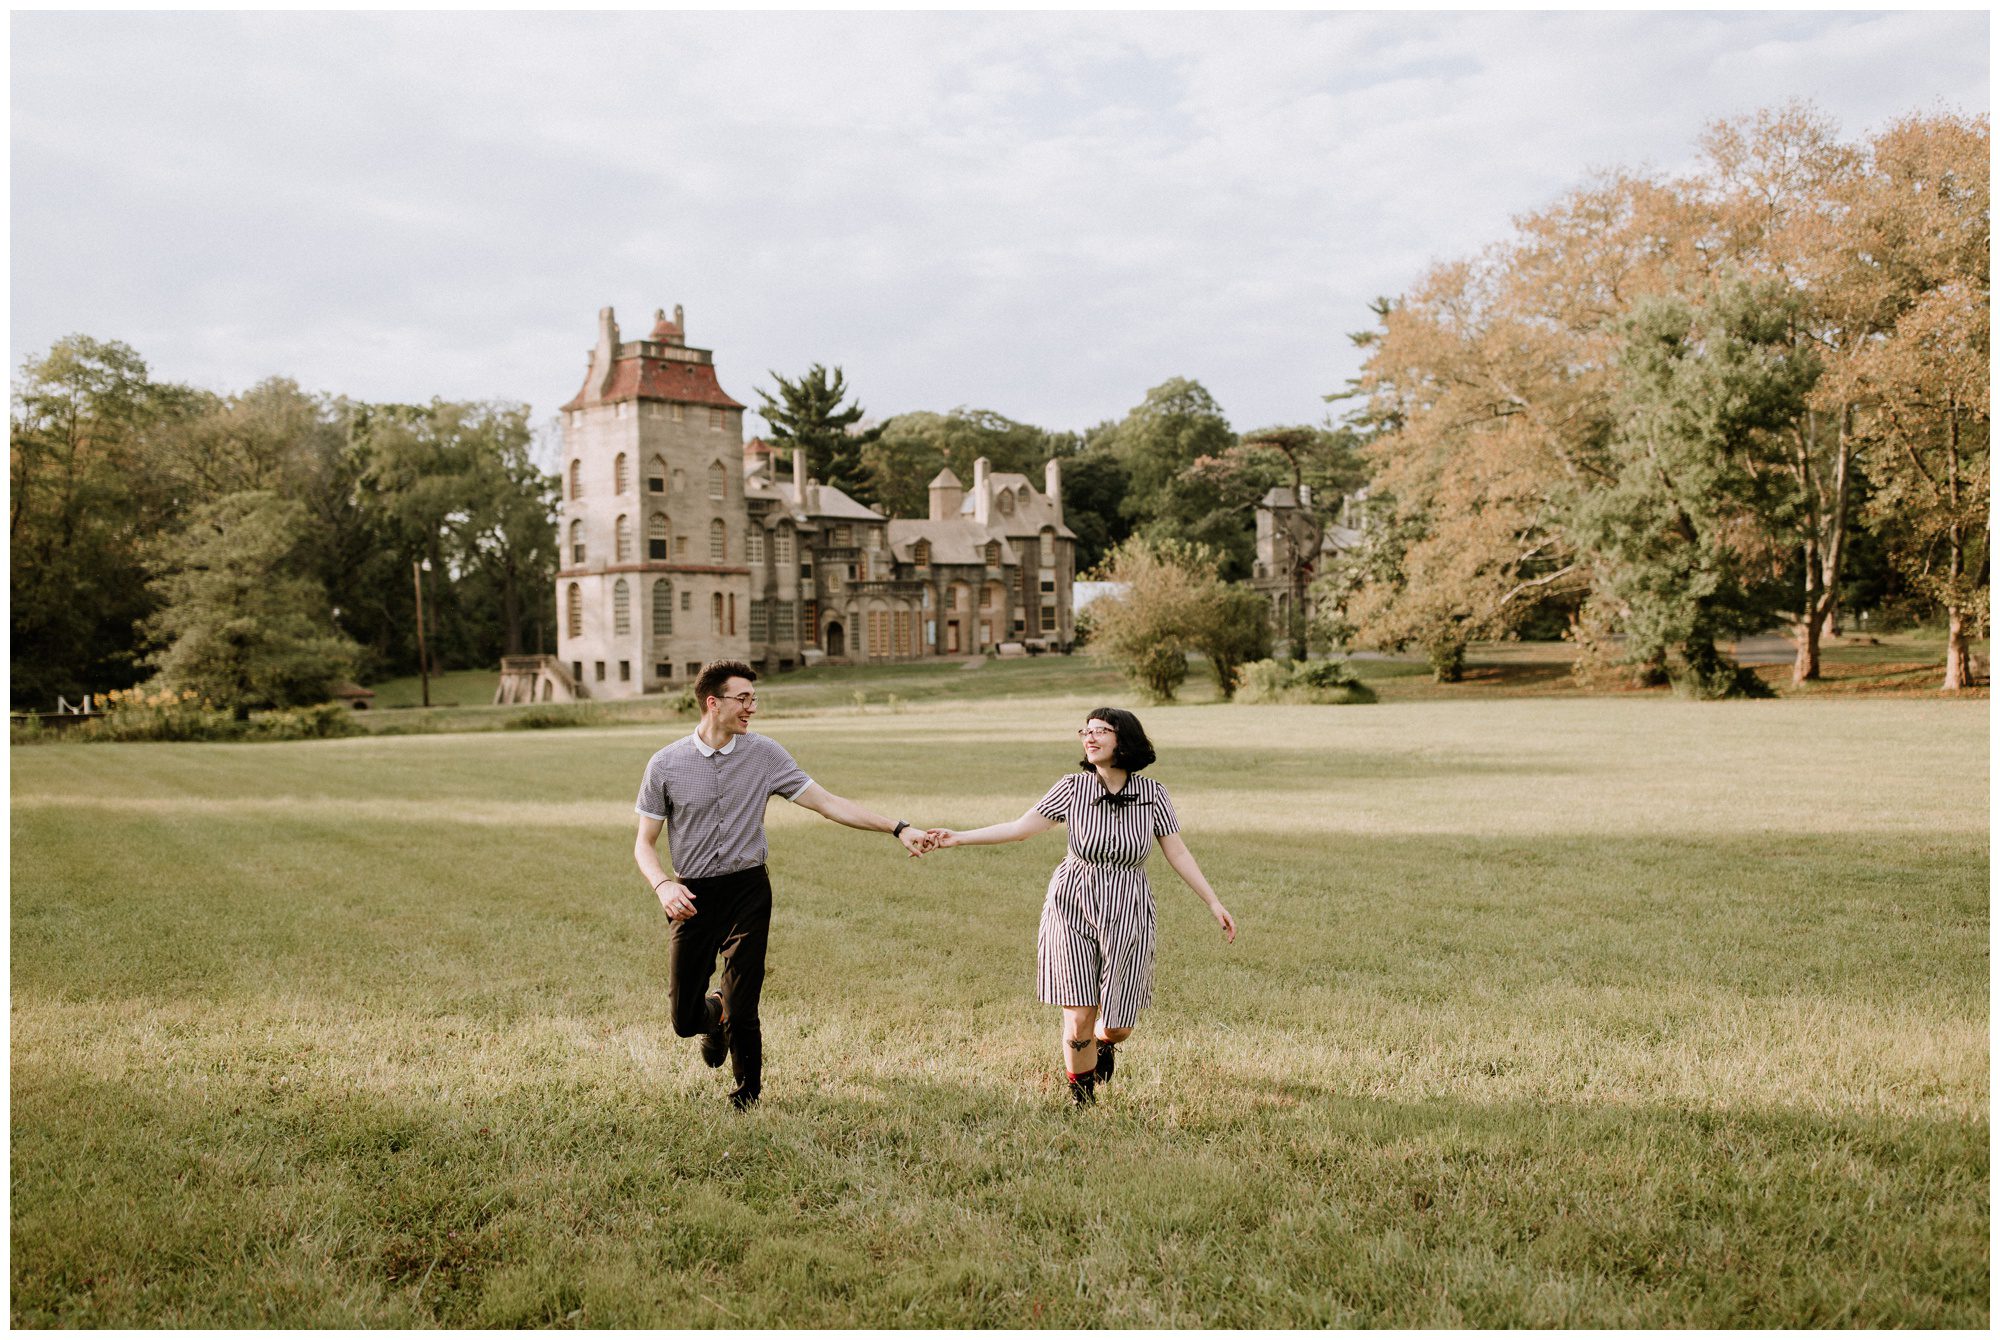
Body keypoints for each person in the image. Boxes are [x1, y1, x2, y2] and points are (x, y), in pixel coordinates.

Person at [634, 659, 932, 1110]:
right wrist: (662, 886)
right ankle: (712, 1017)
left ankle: (746, 1093)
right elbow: (644, 844)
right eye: (744, 698)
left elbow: (828, 803)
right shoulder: (666, 764)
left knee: (745, 996)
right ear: (713, 703)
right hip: (691, 894)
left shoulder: (766, 755)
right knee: (683, 1019)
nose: (752, 707)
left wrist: (898, 827)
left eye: (754, 698)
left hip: (748, 890)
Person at [925, 706, 1235, 1105]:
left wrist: (1213, 902)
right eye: (1085, 731)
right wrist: (958, 837)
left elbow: (1177, 852)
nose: (1089, 738)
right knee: (1078, 1015)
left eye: (1101, 731)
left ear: (1124, 739)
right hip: (1071, 902)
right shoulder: (1072, 788)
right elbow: (1020, 829)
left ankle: (1105, 1044)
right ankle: (1082, 1096)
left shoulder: (1153, 795)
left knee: (1119, 1024)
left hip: (1129, 907)